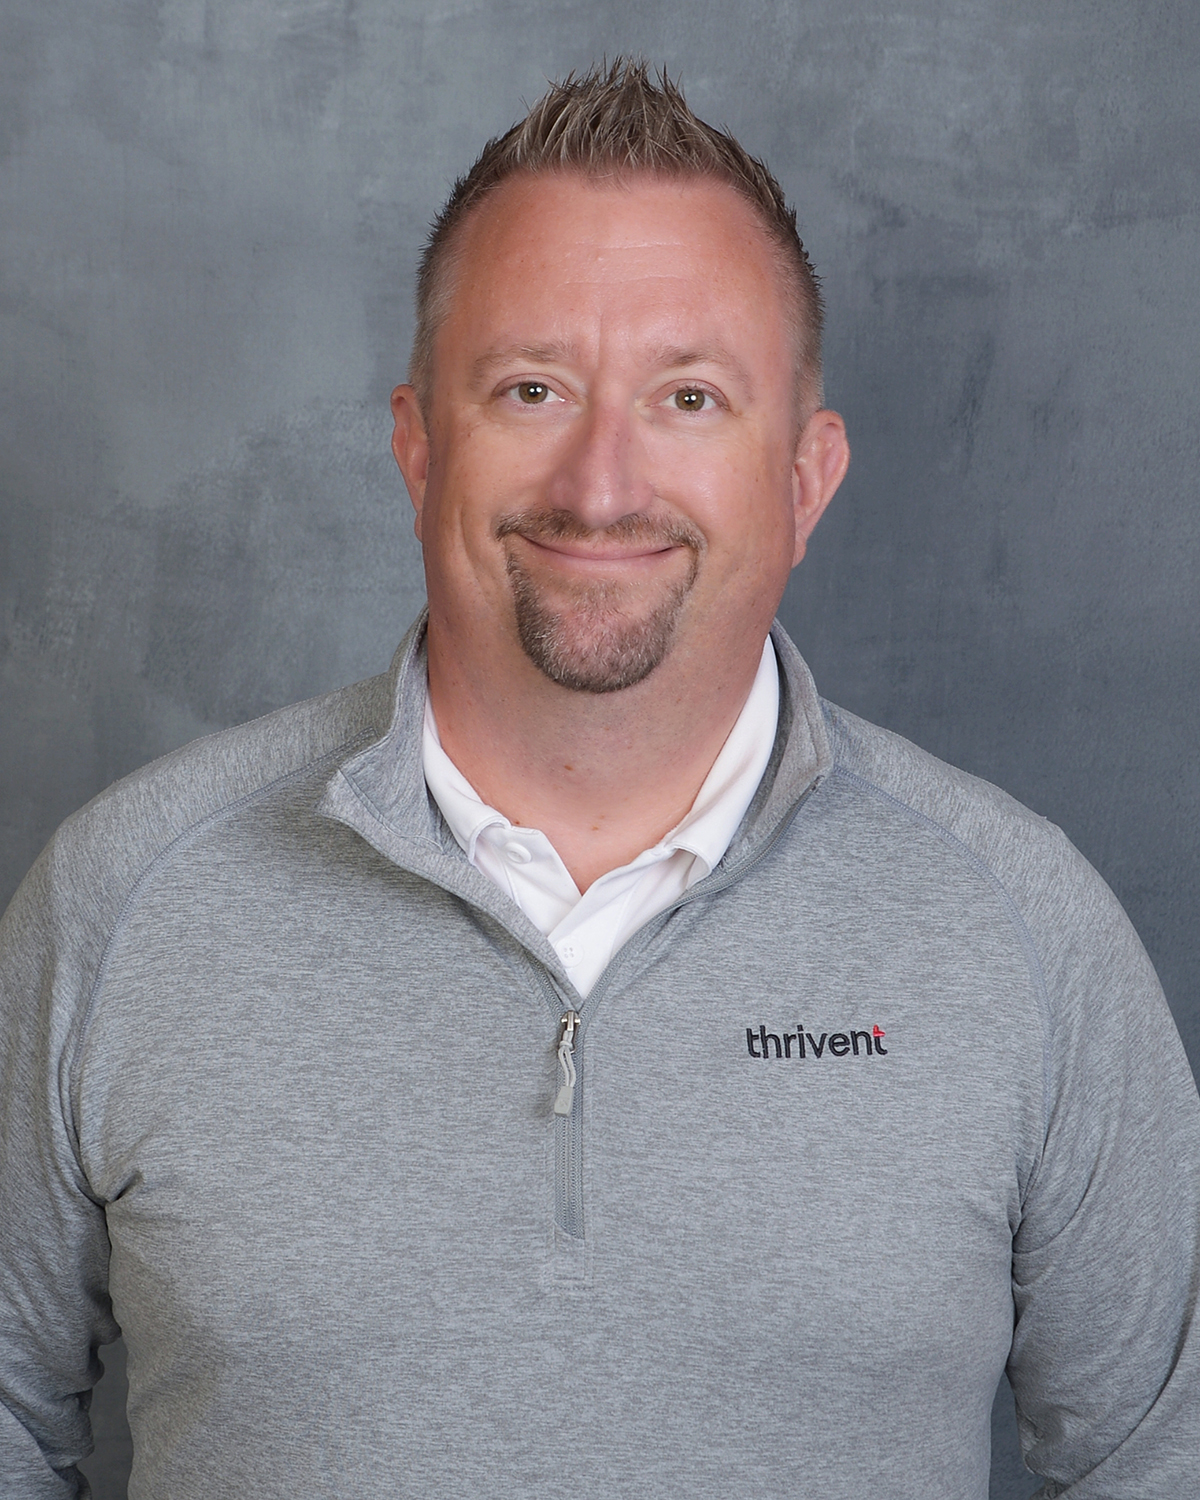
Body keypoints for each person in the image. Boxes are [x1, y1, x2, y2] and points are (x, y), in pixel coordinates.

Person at [1, 60, 1197, 1500]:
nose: (602, 484)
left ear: (805, 479)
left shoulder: (1021, 932)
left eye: (689, 396)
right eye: (533, 389)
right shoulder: (122, 901)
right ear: (418, 449)